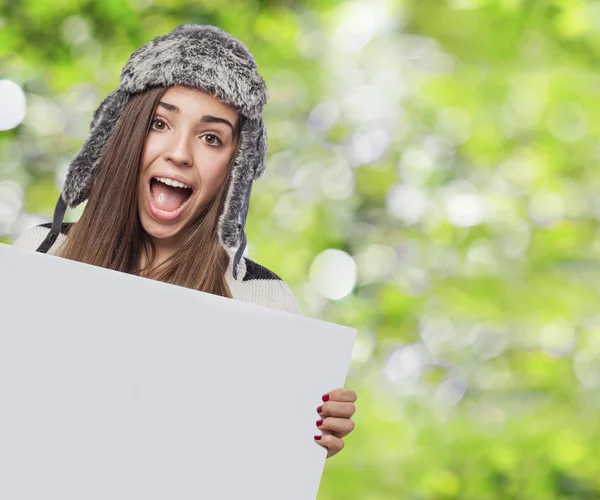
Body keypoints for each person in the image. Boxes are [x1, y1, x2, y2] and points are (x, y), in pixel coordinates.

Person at [12, 24, 357, 458]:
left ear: (234, 168)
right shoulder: (43, 253)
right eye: (159, 123)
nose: (180, 153)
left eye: (211, 137)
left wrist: (304, 436)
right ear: (125, 135)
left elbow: (253, 464)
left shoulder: (263, 300)